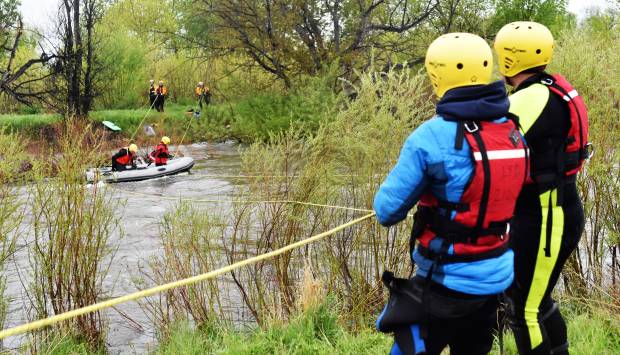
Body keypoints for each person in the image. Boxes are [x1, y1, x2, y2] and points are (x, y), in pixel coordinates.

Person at [373, 33, 529, 355]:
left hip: (444, 285)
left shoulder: (430, 136)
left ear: (437, 75)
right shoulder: (514, 132)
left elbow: (386, 211)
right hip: (497, 278)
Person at [494, 22, 590, 355]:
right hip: (553, 211)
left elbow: (491, 146)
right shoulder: (548, 87)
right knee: (536, 300)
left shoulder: (532, 97)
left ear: (508, 58)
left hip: (547, 217)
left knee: (524, 310)